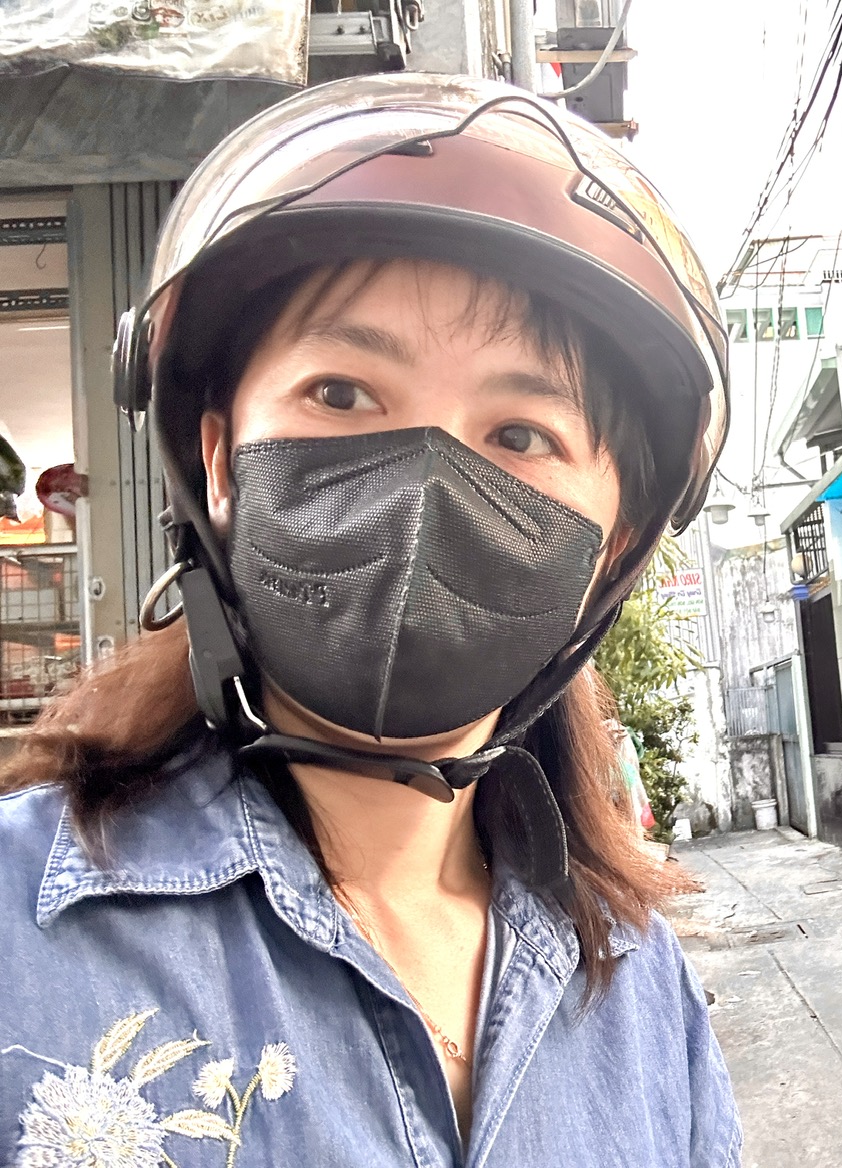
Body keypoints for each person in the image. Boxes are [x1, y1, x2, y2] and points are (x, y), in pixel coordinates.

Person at [0, 74, 737, 1167]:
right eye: (341, 394)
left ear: (611, 548)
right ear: (218, 462)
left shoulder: (642, 992)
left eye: (521, 435)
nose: (426, 483)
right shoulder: (20, 937)